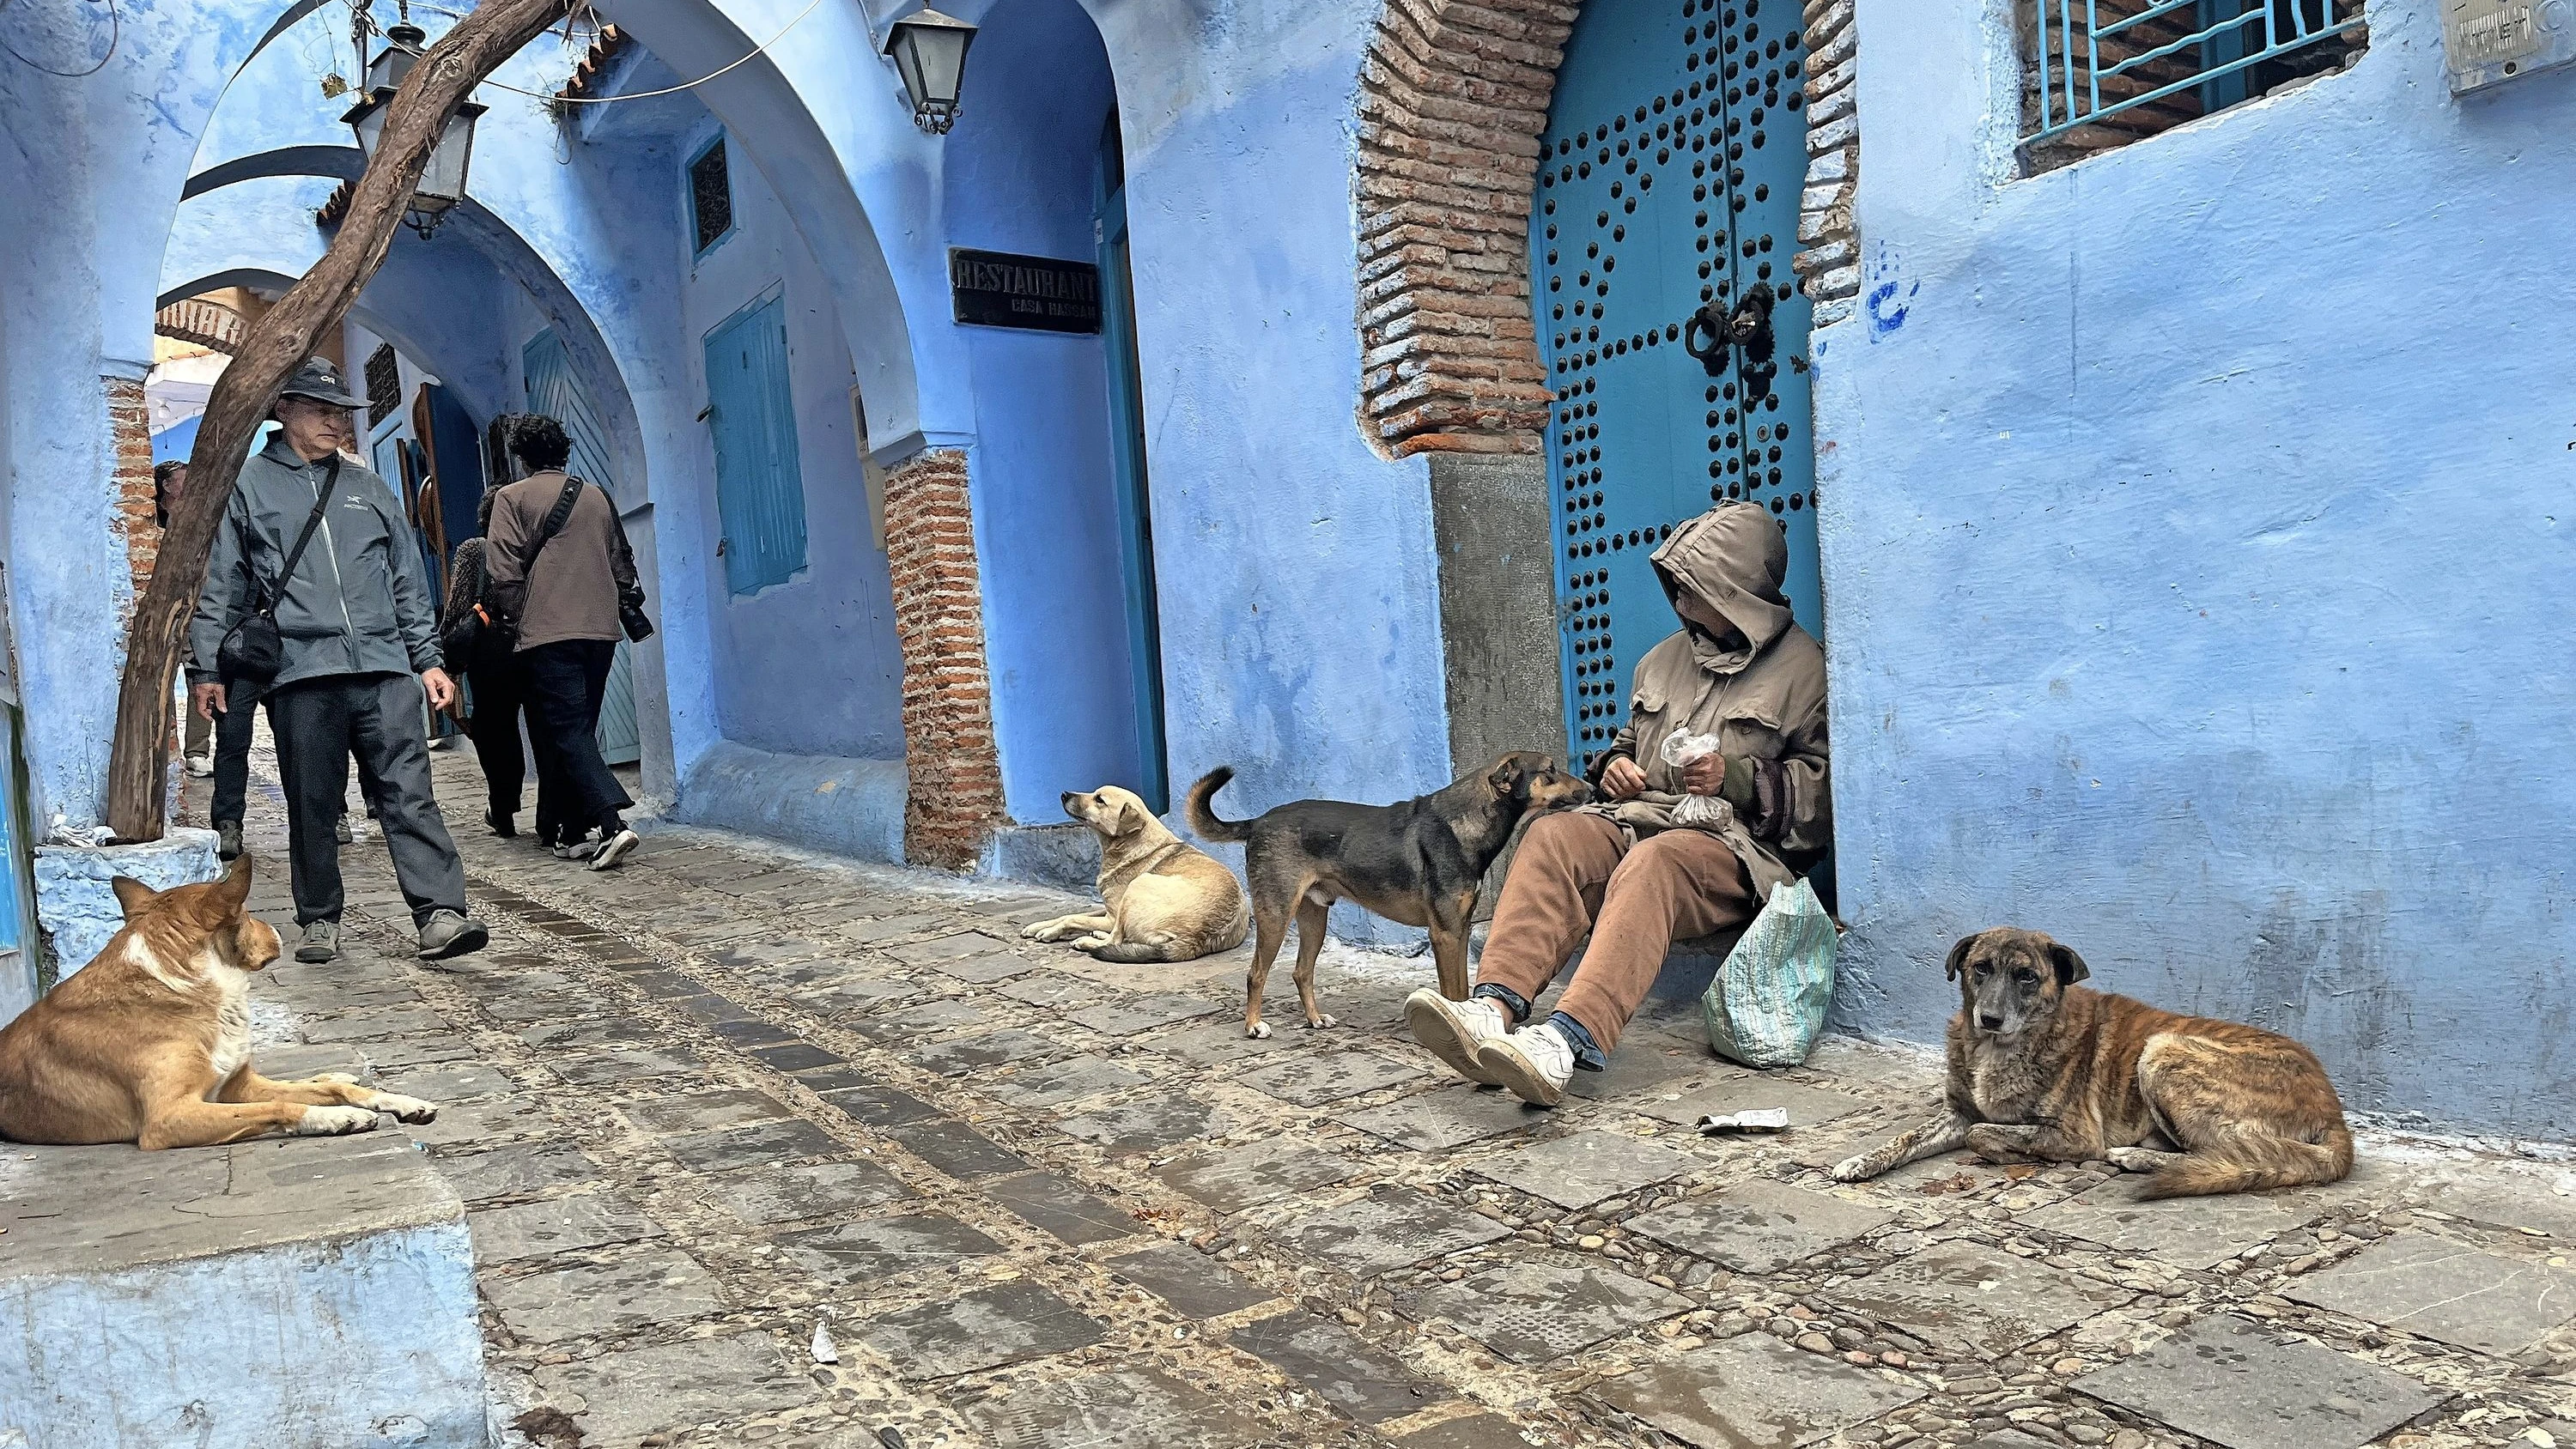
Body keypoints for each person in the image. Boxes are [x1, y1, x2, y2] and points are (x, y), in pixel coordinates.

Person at [1405, 501, 1831, 1105]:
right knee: (1553, 835)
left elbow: (1820, 794)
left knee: (1654, 865)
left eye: (1694, 590)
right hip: (1635, 822)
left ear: (1735, 591)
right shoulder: (1659, 661)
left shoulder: (1806, 671)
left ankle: (1564, 1040)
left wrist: (1734, 778)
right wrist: (1617, 770)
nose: (1680, 603)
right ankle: (1492, 1008)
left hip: (1730, 850)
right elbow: (1624, 747)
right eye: (1676, 588)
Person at [187, 356, 490, 964]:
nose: (337, 424)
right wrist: (206, 669)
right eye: (322, 411)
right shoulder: (248, 487)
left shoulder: (366, 487)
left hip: (383, 668)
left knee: (409, 793)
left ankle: (440, 915)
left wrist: (427, 660)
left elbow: (407, 579)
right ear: (284, 411)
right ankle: (320, 917)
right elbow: (219, 581)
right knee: (313, 801)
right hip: (302, 671)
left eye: (342, 413)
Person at [483, 415, 641, 871]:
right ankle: (570, 831)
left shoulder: (511, 498)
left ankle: (611, 824)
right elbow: (620, 561)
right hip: (600, 629)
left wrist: (517, 615)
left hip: (548, 631)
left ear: (521, 456)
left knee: (566, 730)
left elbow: (502, 569)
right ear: (565, 451)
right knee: (578, 731)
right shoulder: (596, 496)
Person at [438, 484, 529, 838]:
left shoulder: (475, 550)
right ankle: (550, 818)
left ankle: (503, 807)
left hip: (491, 656)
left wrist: (447, 650)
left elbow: (459, 602)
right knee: (537, 729)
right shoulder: (530, 549)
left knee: (494, 731)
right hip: (532, 647)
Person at [157, 460, 218, 779]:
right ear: (166, 485)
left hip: (197, 613)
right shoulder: (151, 521)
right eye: (183, 479)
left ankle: (197, 752)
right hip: (163, 614)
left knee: (201, 678)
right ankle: (166, 749)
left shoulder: (200, 520)